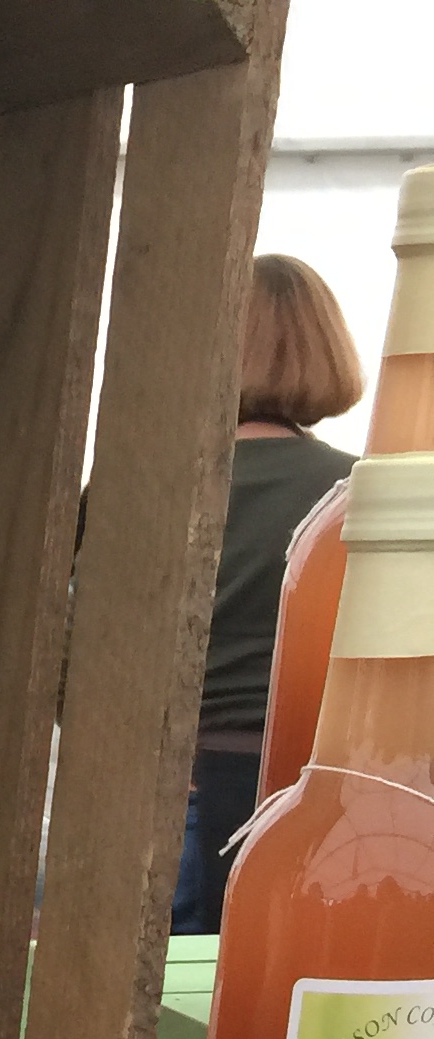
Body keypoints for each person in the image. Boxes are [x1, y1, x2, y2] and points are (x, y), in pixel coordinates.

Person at [174, 254, 361, 934]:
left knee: (166, 992)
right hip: (324, 796)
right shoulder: (363, 495)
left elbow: (66, 656)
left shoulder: (141, 485)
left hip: (169, 791)